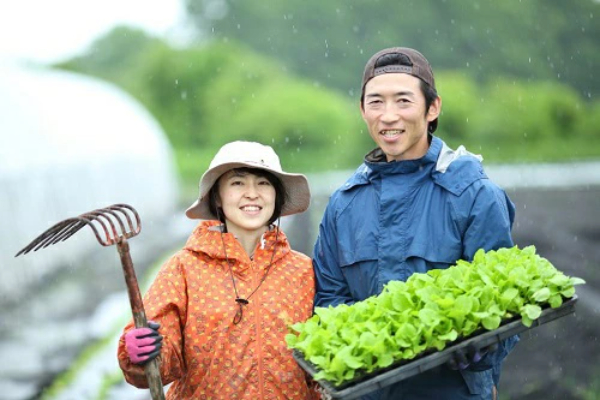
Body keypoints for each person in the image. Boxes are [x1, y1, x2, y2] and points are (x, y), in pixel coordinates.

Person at [312, 47, 518, 400]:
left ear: (432, 107)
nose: (388, 116)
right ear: (363, 110)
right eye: (376, 102)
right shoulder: (344, 204)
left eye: (403, 101)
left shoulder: (472, 194)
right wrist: (367, 342)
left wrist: (474, 343)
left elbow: (504, 300)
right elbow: (329, 296)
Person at [118, 141, 317, 399]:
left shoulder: (303, 271)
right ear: (218, 197)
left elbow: (320, 363)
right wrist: (140, 355)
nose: (252, 193)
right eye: (237, 183)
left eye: (263, 183)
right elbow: (161, 364)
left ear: (277, 196)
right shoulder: (184, 269)